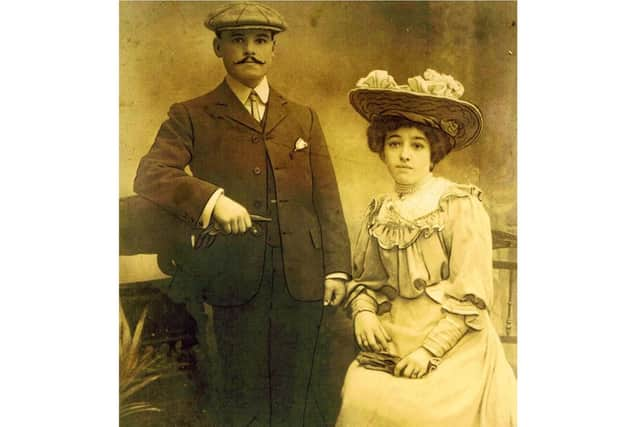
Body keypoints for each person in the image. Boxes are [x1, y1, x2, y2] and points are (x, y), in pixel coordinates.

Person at [133, 3, 351, 426]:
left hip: (302, 279)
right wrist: (213, 200)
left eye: (260, 40)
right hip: (233, 279)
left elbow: (327, 197)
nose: (250, 50)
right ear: (218, 47)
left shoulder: (303, 117)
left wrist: (337, 269)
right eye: (237, 40)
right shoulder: (191, 115)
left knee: (302, 395)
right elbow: (151, 173)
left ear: (274, 50)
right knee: (241, 395)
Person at [335, 69, 517, 426]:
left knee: (419, 412)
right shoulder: (379, 211)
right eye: (394, 143)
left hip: (457, 342)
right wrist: (365, 313)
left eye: (417, 145)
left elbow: (472, 296)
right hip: (395, 335)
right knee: (359, 394)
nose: (405, 155)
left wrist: (428, 351)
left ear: (433, 151)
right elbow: (367, 283)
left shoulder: (459, 204)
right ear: (382, 150)